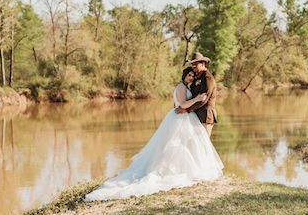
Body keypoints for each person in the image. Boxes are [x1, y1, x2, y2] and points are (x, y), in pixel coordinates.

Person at [84, 67, 223, 201]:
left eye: (193, 75)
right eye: (189, 75)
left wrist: (195, 100)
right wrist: (197, 99)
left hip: (187, 118)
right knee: (175, 145)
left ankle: (186, 169)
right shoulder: (181, 87)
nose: (191, 77)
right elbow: (181, 105)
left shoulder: (188, 87)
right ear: (184, 76)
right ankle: (173, 170)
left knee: (185, 145)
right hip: (180, 118)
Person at [175, 52, 217, 136]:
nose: (193, 65)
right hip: (196, 117)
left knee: (203, 146)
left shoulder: (207, 78)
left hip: (205, 117)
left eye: (195, 63)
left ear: (203, 64)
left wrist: (186, 110)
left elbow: (203, 100)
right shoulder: (197, 77)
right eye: (192, 63)